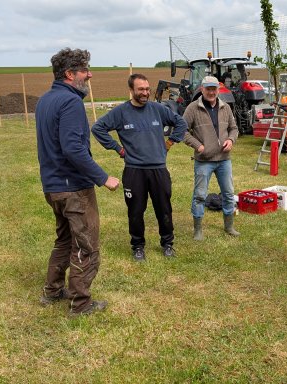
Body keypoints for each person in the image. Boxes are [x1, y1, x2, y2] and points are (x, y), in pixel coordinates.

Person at [36, 48, 120, 316]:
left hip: (53, 187)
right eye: (85, 70)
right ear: (70, 74)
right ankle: (80, 304)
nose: (90, 74)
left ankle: (52, 291)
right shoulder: (70, 102)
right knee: (86, 246)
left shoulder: (45, 100)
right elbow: (73, 149)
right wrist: (103, 177)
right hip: (74, 189)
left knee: (64, 241)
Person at [91, 73, 187, 261]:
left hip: (158, 169)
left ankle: (167, 244)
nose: (145, 93)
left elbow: (181, 123)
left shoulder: (158, 109)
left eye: (147, 89)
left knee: (164, 209)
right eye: (141, 89)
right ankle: (138, 246)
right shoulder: (120, 112)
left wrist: (170, 142)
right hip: (134, 171)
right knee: (135, 211)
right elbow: (98, 128)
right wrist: (118, 149)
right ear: (131, 90)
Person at [181, 76, 240, 240]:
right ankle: (198, 230)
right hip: (203, 161)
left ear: (218, 90)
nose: (211, 92)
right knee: (199, 195)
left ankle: (229, 226)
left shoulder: (225, 107)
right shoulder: (193, 108)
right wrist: (198, 146)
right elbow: (182, 131)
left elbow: (234, 129)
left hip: (224, 160)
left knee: (228, 194)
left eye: (214, 88)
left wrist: (230, 140)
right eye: (208, 88)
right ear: (202, 89)